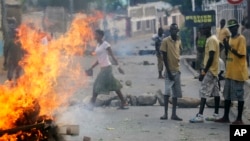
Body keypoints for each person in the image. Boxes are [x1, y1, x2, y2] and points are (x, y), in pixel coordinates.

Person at [215, 19, 248, 125]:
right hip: (229, 71)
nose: (232, 29)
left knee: (239, 96)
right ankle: (226, 116)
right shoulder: (230, 39)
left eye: (234, 27)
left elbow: (241, 54)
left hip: (238, 72)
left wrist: (229, 48)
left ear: (237, 27)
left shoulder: (241, 38)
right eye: (230, 27)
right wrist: (225, 45)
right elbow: (228, 52)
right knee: (227, 96)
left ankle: (239, 119)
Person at [86, 29, 128, 110]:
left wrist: (119, 67)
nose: (95, 36)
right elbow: (99, 59)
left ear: (101, 36)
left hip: (107, 69)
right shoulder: (98, 45)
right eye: (95, 34)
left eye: (96, 34)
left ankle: (91, 105)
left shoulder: (106, 45)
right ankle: (124, 102)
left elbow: (112, 56)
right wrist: (91, 67)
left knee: (96, 86)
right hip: (103, 68)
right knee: (114, 86)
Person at [190, 24, 220, 123]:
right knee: (216, 92)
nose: (202, 31)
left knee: (203, 92)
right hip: (215, 70)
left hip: (210, 71)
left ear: (208, 29)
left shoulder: (211, 40)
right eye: (201, 29)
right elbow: (202, 49)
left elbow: (211, 57)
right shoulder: (213, 38)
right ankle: (216, 114)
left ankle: (200, 115)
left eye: (203, 29)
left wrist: (204, 72)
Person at [159, 23, 182, 121]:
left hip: (177, 70)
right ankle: (165, 114)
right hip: (169, 71)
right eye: (172, 29)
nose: (173, 31)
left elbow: (179, 51)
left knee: (175, 94)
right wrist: (168, 71)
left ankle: (174, 114)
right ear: (170, 31)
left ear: (177, 31)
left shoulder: (178, 40)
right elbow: (164, 57)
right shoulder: (165, 41)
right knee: (167, 93)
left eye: (175, 30)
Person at [4, 17, 23, 82]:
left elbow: (25, 50)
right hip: (13, 60)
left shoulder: (21, 41)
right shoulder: (11, 41)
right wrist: (5, 60)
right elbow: (6, 51)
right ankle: (12, 85)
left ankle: (15, 86)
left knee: (16, 76)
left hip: (18, 60)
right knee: (11, 76)